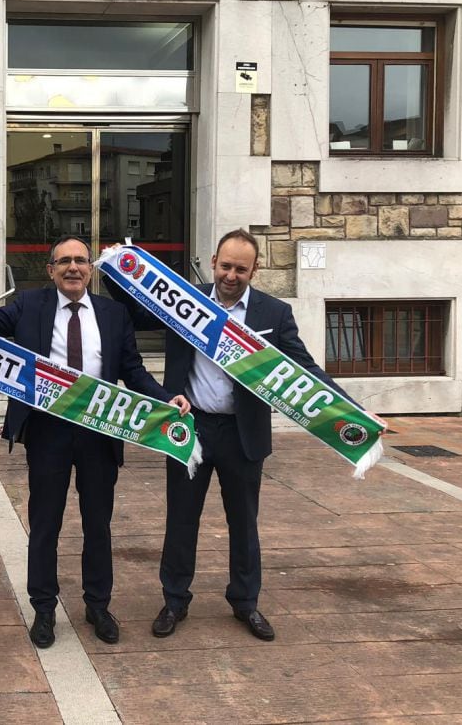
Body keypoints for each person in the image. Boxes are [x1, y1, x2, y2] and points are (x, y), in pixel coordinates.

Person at [0, 235, 190, 648]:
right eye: (64, 261)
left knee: (98, 525)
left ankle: (98, 605)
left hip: (100, 433)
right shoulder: (31, 306)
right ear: (50, 270)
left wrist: (163, 398)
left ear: (91, 269)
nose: (73, 268)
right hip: (48, 432)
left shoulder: (113, 313)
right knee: (45, 524)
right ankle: (44, 610)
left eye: (80, 261)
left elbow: (132, 371)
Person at [108, 229, 355, 642]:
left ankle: (246, 603)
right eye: (225, 266)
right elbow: (134, 312)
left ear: (255, 269)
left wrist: (352, 410)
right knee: (181, 520)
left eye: (241, 268)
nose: (231, 275)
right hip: (191, 428)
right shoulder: (184, 302)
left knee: (244, 523)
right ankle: (174, 600)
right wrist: (118, 268)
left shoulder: (273, 314)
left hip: (244, 434)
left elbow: (304, 369)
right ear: (212, 261)